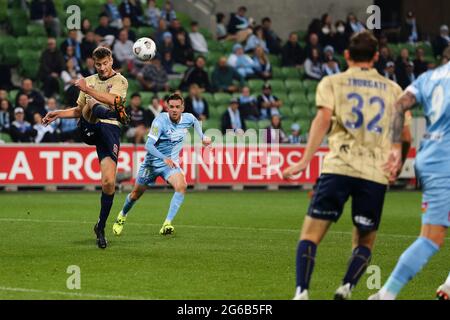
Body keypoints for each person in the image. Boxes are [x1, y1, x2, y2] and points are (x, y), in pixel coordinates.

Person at [282, 31, 411, 300]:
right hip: (374, 174)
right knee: (364, 242)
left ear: (347, 55)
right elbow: (406, 136)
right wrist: (396, 166)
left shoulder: (333, 82)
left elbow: (323, 118)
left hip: (338, 168)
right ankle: (346, 288)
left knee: (310, 234)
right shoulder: (394, 91)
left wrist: (305, 159)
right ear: (376, 57)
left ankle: (302, 292)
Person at [369, 47, 450, 301]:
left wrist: (395, 146)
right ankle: (387, 294)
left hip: (432, 158)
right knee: (431, 238)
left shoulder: (429, 78)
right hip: (445, 162)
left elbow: (399, 105)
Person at [42, 47, 130, 249]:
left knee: (109, 183)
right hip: (90, 126)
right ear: (94, 63)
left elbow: (113, 99)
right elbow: (80, 110)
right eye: (98, 64)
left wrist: (86, 89)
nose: (102, 67)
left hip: (109, 132)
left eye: (105, 63)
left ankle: (100, 226)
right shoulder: (88, 81)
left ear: (111, 60)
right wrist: (58, 113)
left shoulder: (120, 80)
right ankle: (115, 115)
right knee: (90, 102)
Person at [112, 93, 211, 236]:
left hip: (170, 165)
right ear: (167, 107)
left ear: (182, 108)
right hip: (151, 164)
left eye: (177, 107)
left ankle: (167, 223)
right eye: (171, 107)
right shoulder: (159, 121)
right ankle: (122, 215)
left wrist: (202, 137)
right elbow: (149, 145)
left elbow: (195, 121)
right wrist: (164, 158)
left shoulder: (188, 118)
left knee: (181, 186)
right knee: (135, 195)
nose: (174, 110)